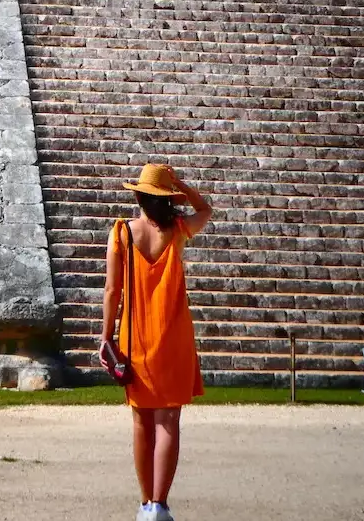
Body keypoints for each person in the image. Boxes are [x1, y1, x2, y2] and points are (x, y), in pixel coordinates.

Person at [100, 162, 213, 521]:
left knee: (141, 422)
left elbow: (111, 290)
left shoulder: (121, 232)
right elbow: (206, 210)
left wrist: (106, 338)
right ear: (167, 198)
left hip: (136, 336)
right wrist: (182, 184)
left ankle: (144, 501)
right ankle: (160, 505)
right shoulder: (178, 229)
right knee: (168, 421)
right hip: (173, 335)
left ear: (138, 195)